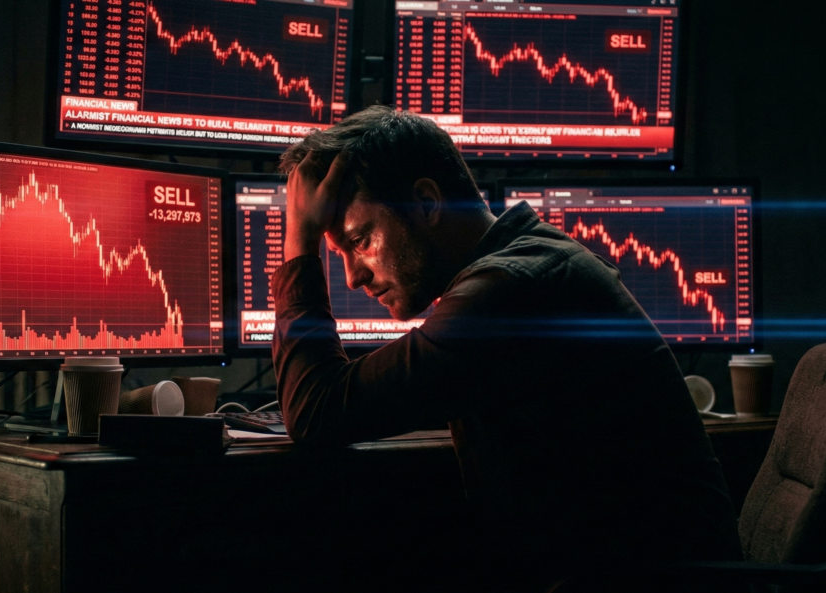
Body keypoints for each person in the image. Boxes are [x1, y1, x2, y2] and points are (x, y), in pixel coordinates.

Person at [270, 105, 742, 590]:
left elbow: (317, 410)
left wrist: (300, 243)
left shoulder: (508, 291)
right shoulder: (534, 262)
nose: (352, 275)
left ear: (427, 204)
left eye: (360, 240)